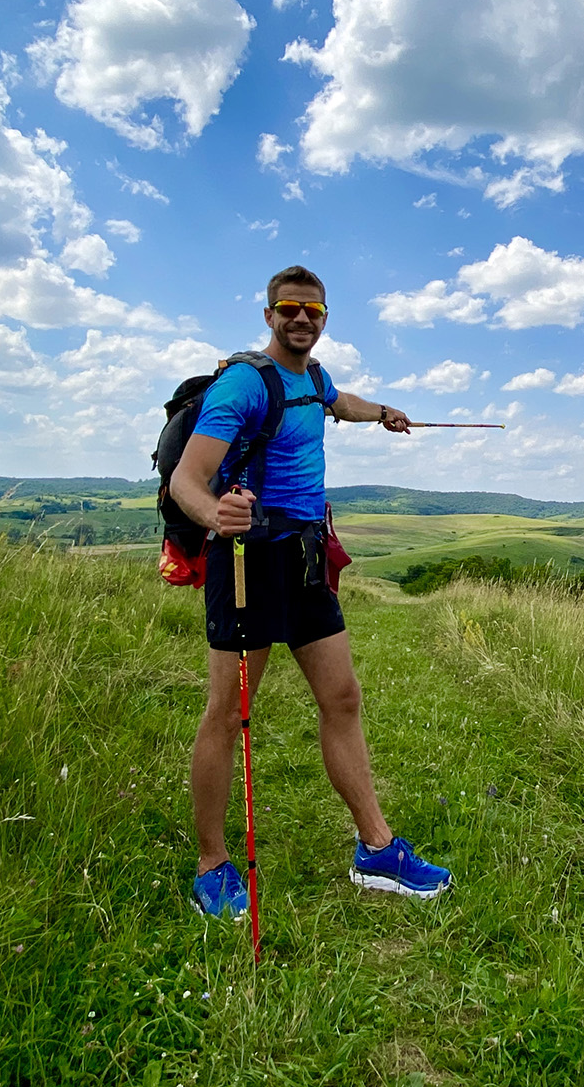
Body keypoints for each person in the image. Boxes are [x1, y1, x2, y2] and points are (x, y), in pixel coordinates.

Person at [167, 264, 452, 918]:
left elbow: (335, 401)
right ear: (268, 315)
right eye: (289, 308)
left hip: (305, 557)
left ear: (324, 320)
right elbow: (189, 477)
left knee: (343, 697)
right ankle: (212, 864)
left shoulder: (312, 377)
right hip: (248, 561)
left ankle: (375, 848)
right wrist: (214, 515)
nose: (301, 319)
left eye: (313, 311)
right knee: (229, 713)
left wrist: (381, 413)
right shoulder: (244, 384)